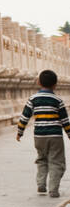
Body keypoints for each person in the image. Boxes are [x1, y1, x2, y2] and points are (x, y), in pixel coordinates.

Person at [16, 69, 70, 198]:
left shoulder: (33, 99)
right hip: (55, 136)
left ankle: (41, 184)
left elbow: (25, 117)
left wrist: (20, 132)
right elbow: (65, 120)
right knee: (56, 162)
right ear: (55, 85)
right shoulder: (58, 100)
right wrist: (69, 133)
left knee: (42, 159)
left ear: (39, 82)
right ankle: (53, 189)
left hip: (39, 136)